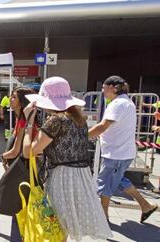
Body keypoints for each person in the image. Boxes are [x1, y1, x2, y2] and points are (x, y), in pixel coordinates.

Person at [23, 76, 112, 241]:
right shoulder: (79, 119)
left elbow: (29, 152)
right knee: (64, 227)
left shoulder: (55, 120)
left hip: (62, 176)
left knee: (57, 224)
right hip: (81, 176)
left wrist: (28, 121)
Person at [89, 75, 158, 223]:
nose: (102, 91)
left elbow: (103, 126)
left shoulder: (118, 104)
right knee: (119, 180)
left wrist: (82, 136)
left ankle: (103, 217)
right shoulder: (125, 102)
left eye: (104, 88)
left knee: (104, 182)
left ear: (113, 88)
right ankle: (146, 206)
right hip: (121, 152)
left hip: (116, 153)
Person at [0, 87, 36, 242]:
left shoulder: (24, 120)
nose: (10, 99)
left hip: (22, 167)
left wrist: (3, 156)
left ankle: (9, 229)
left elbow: (16, 150)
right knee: (10, 195)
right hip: (20, 165)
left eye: (14, 97)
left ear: (22, 102)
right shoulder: (20, 118)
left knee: (10, 196)